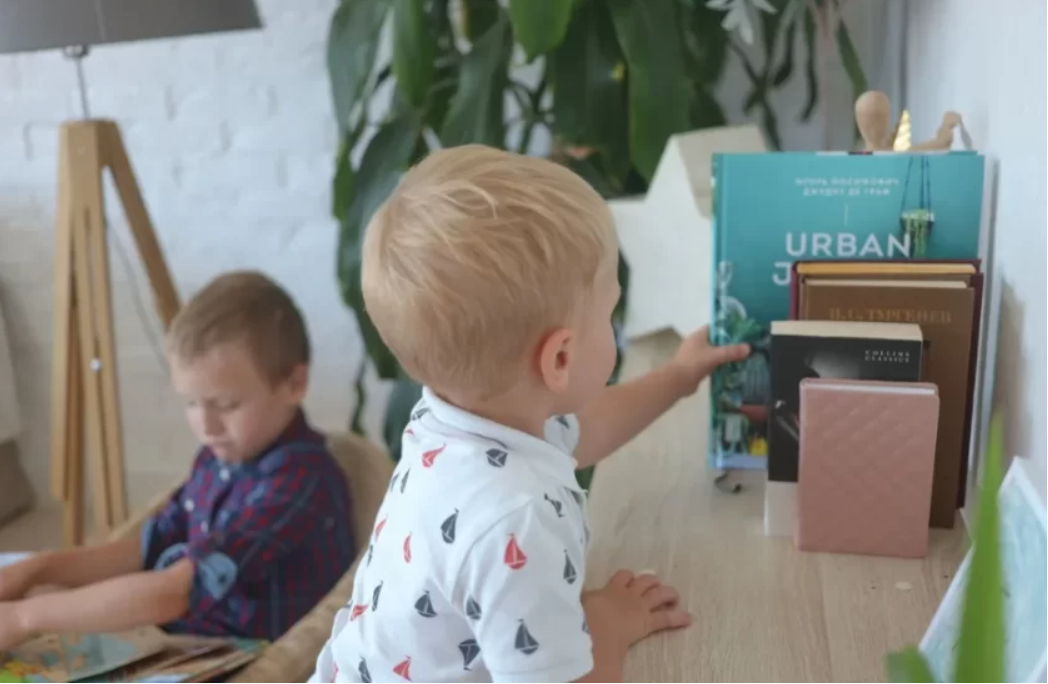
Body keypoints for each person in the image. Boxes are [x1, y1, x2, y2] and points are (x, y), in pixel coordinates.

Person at [310, 146, 749, 683]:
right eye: (609, 312)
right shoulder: (516, 519)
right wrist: (608, 627)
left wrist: (678, 376)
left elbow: (588, 427)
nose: (614, 323)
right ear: (560, 358)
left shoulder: (461, 417)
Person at [0, 271, 354, 648]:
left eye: (226, 404)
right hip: (182, 630)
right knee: (44, 604)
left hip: (241, 654)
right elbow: (147, 547)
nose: (206, 426)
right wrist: (38, 569)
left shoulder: (300, 479)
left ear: (294, 385)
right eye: (191, 403)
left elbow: (173, 593)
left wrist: (23, 618)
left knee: (40, 621)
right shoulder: (217, 459)